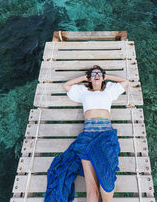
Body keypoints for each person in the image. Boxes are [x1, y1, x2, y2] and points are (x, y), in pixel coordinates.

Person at [44, 65, 129, 202]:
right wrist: (85, 78)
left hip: (105, 135)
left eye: (100, 74)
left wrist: (106, 77)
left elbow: (125, 82)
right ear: (89, 78)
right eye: (94, 74)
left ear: (103, 78)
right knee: (92, 191)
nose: (97, 76)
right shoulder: (83, 91)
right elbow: (66, 85)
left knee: (106, 182)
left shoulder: (109, 91)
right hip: (87, 136)